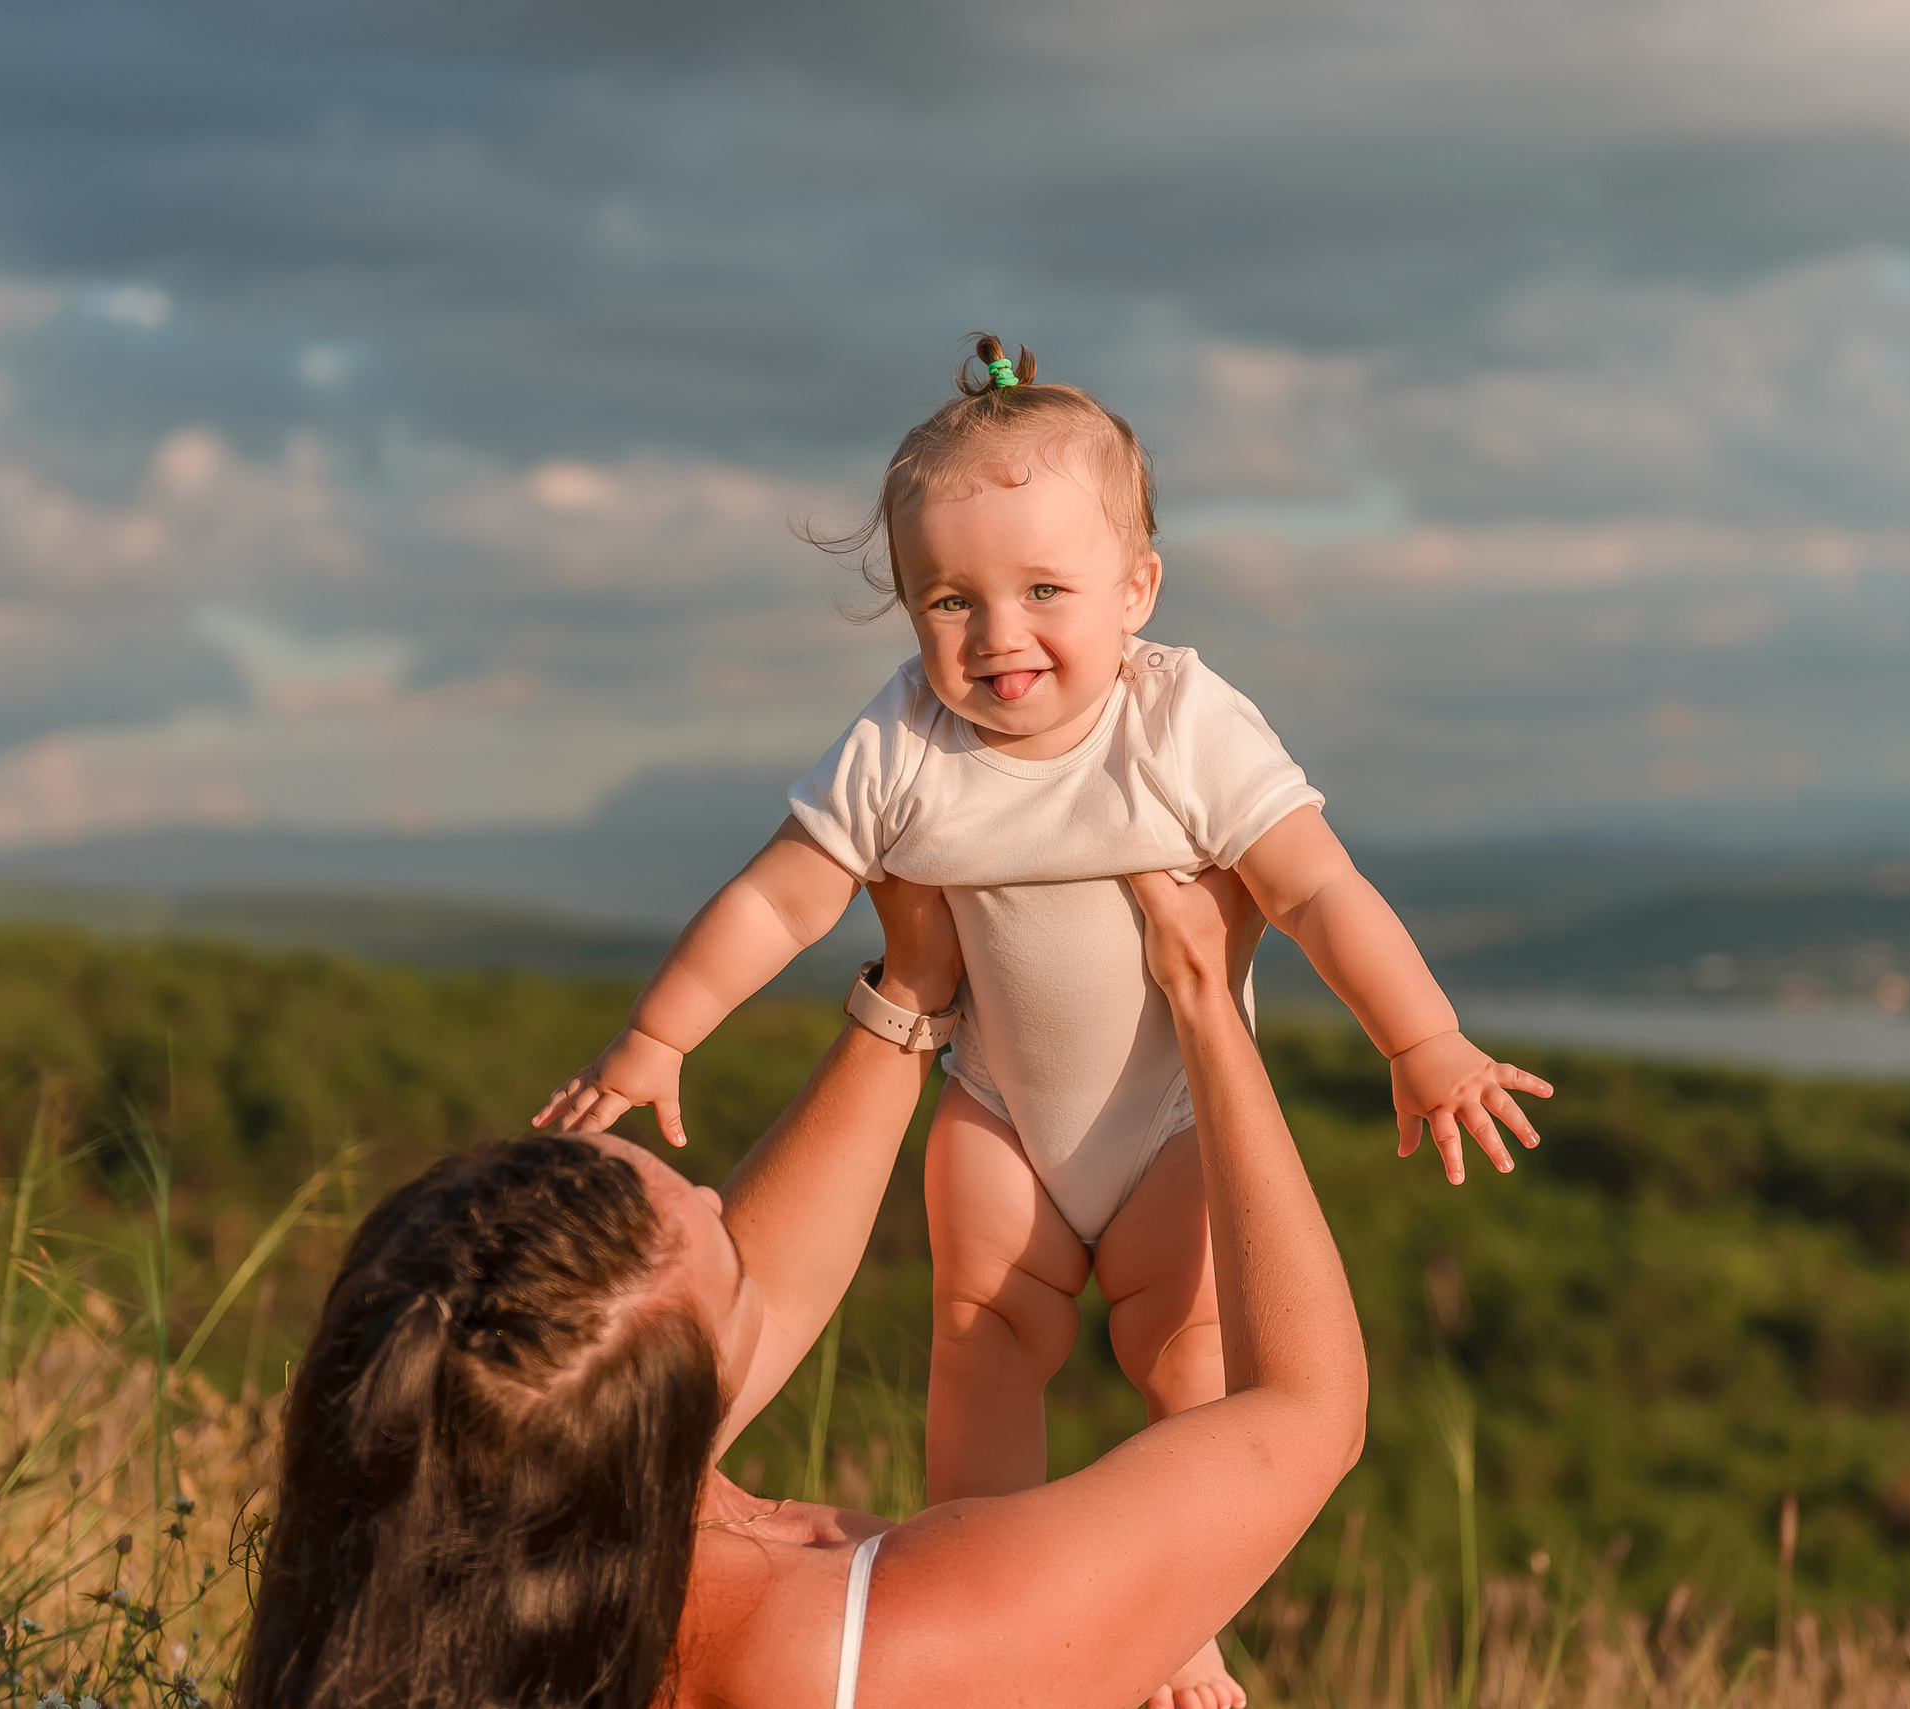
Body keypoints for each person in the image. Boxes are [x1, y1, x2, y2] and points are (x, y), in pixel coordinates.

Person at [534, 335, 1550, 1704]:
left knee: (1190, 1360)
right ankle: (980, 1570)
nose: (998, 635)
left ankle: (1173, 1617)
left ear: (1139, 590)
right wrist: (661, 1034)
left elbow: (1316, 888)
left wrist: (1422, 1041)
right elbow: (776, 902)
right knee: (979, 1344)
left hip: (1172, 1122)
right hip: (999, 1111)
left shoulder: (1181, 722)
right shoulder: (906, 744)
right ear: (908, 612)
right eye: (950, 600)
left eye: (1045, 590)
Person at [239, 869, 1367, 1709]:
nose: (722, 1202)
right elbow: (1306, 1412)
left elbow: (755, 1290)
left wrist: (916, 984)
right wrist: (1207, 1005)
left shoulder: (501, 1549)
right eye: (717, 1238)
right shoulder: (882, 1642)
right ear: (685, 1394)